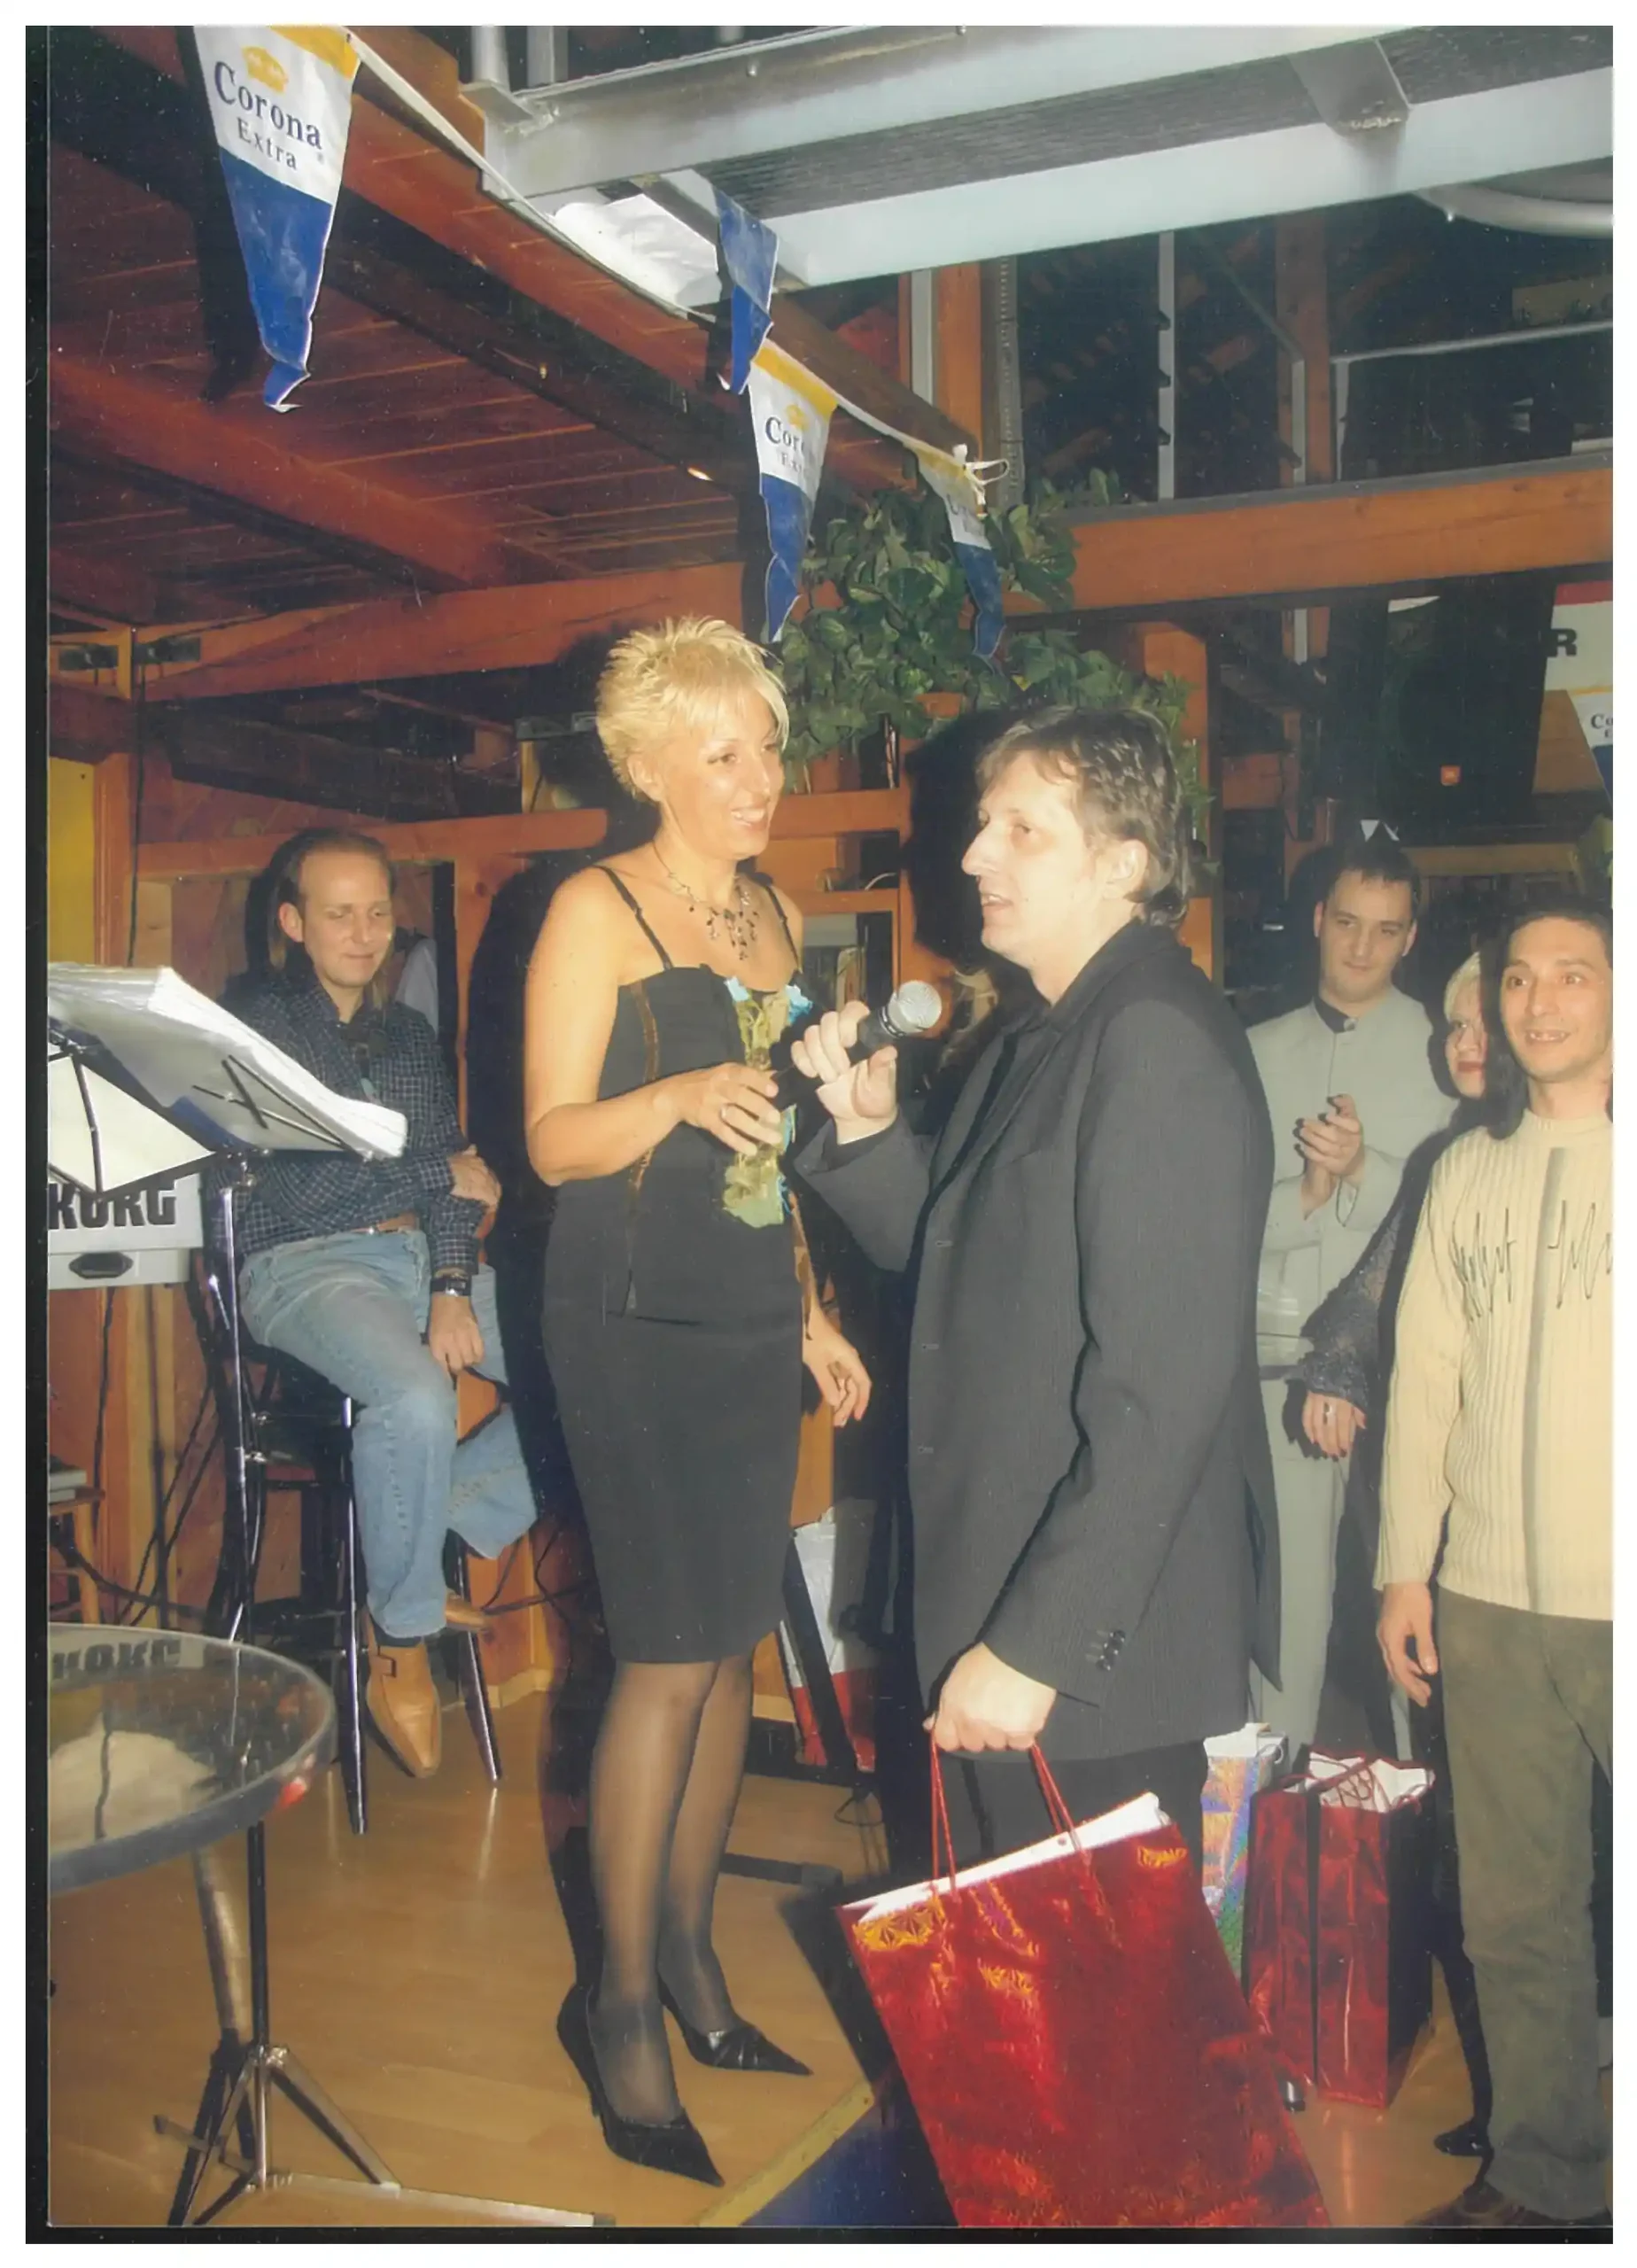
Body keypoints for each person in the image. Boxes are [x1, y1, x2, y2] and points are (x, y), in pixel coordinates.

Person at [791, 705, 1278, 1874]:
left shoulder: (1152, 1038)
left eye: (1022, 829)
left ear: (1123, 863)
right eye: (982, 824)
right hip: (1004, 1594)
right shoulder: (1043, 1032)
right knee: (1015, 1977)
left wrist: (1038, 1647)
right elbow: (959, 1259)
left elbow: (1160, 1394)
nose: (974, 855)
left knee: (1095, 1985)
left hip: (1085, 1656)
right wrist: (865, 1133)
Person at [524, 618, 871, 2189]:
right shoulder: (589, 909)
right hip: (625, 1317)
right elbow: (549, 1139)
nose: (759, 776)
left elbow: (775, 1152)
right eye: (723, 752)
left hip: (739, 1313)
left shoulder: (776, 918)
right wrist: (667, 1094)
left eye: (768, 746)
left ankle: (688, 1960)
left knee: (732, 1652)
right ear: (648, 764)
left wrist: (807, 1312)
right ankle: (615, 2008)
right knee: (667, 1658)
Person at [1378, 896, 1612, 2231]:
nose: (1541, 1002)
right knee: (1516, 1913)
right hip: (1487, 1602)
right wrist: (1406, 1570)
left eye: (1574, 974)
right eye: (1520, 978)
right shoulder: (1462, 1171)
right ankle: (1544, 2180)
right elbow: (1424, 1384)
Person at [232, 830, 539, 1780]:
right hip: (302, 1267)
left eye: (377, 913)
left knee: (591, 1367)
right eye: (339, 913)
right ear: (294, 923)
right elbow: (300, 1194)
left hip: (414, 1257)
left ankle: (425, 1520)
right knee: (414, 1397)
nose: (365, 934)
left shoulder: (405, 1034)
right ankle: (399, 1634)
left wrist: (451, 1285)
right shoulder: (256, 1026)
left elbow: (455, 1179)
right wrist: (435, 1174)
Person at [1294, 950, 1495, 2157]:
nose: (1469, 1038)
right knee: (1476, 1792)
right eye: (1458, 1018)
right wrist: (1336, 1367)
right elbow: (1383, 1293)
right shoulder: (1451, 1158)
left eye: (1490, 1016)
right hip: (1459, 1511)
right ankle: (1527, 2089)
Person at [1247, 837, 1451, 1755]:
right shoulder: (1254, 1051)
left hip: (1411, 1375)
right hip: (1279, 1365)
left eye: (1387, 930)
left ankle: (1424, 1798)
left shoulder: (1451, 1051)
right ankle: (1275, 1803)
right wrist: (1307, 1193)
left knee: (1413, 1602)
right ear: (1318, 920)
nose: (1363, 948)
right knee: (1285, 1609)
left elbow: (1453, 1210)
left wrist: (1366, 1170)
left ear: (1411, 938)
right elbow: (1216, 1219)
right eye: (1349, 924)